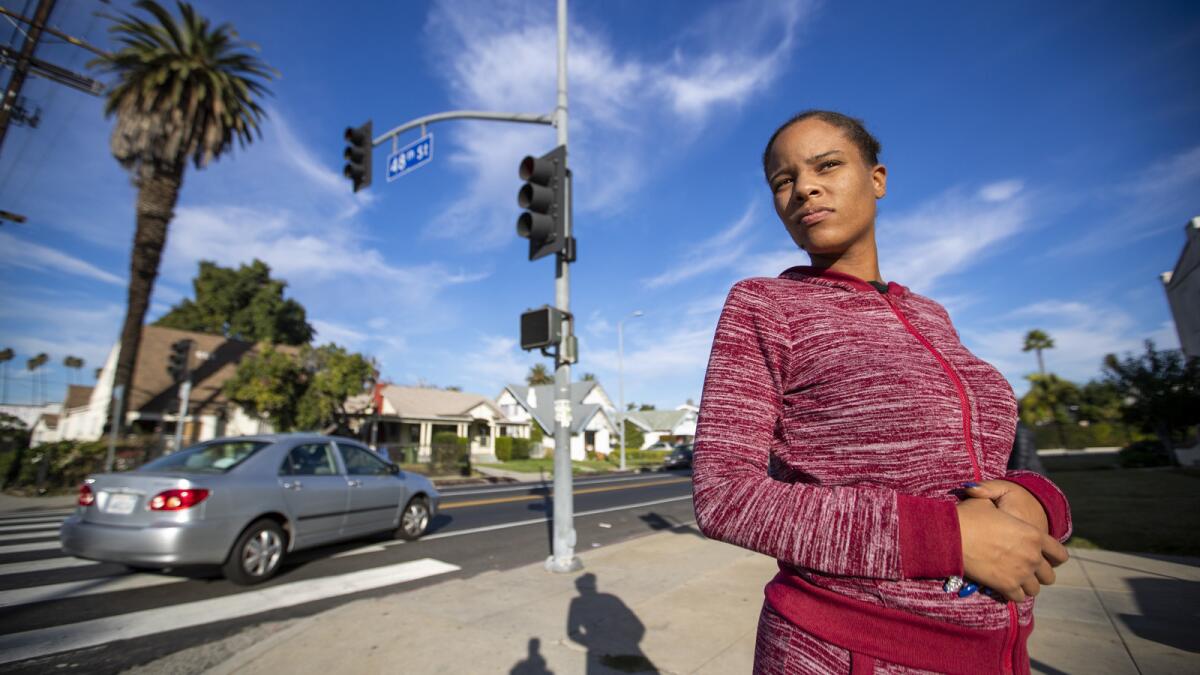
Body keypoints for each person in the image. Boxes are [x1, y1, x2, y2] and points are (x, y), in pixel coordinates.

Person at [692, 110, 1073, 674]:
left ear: (877, 178)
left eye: (827, 166)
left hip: (995, 654)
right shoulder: (764, 306)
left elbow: (983, 461)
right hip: (845, 649)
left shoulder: (931, 315)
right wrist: (946, 538)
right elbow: (724, 496)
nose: (805, 188)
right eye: (783, 180)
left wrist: (1039, 501)